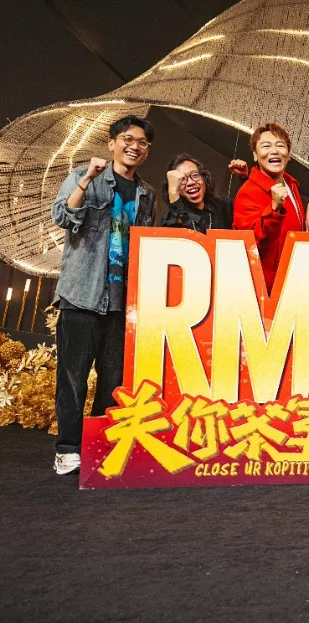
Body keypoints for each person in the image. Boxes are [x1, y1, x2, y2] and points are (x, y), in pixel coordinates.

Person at [50, 115, 157, 475]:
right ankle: (67, 448)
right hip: (82, 295)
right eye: (127, 139)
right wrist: (86, 181)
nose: (134, 146)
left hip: (121, 301)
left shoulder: (146, 193)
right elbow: (63, 217)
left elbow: (147, 244)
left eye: (142, 142)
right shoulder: (85, 176)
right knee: (72, 377)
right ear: (112, 143)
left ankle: (94, 446)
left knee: (113, 381)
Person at [232, 122, 306, 290]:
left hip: (293, 281)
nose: (274, 151)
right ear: (255, 155)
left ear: (289, 155)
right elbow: (250, 244)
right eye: (266, 146)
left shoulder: (292, 185)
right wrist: (274, 210)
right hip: (265, 287)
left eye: (280, 146)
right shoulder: (247, 193)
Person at [161, 154, 247, 233]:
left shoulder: (223, 206)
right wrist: (173, 193)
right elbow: (175, 237)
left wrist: (245, 179)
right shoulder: (170, 218)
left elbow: (248, 210)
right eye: (182, 179)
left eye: (195, 175)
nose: (191, 182)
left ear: (204, 178)